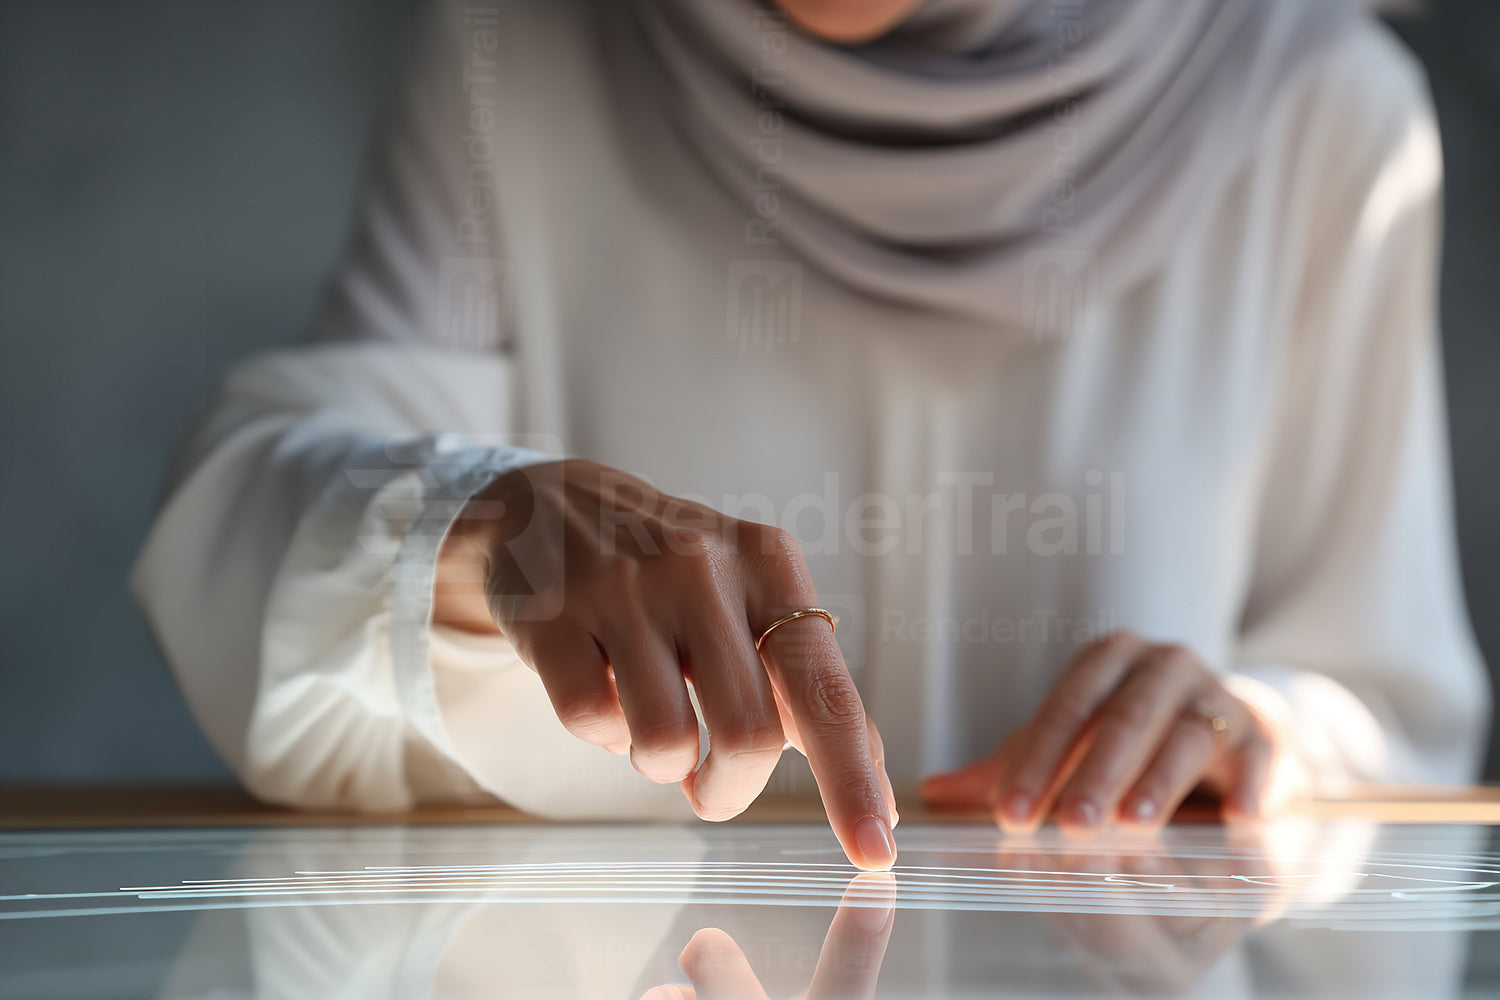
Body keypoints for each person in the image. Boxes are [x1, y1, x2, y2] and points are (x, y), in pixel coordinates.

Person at [131, 0, 1489, 871]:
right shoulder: (521, 51)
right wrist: (480, 522)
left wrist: (1255, 733)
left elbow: (1390, 705)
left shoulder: (1323, 108)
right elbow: (256, 512)